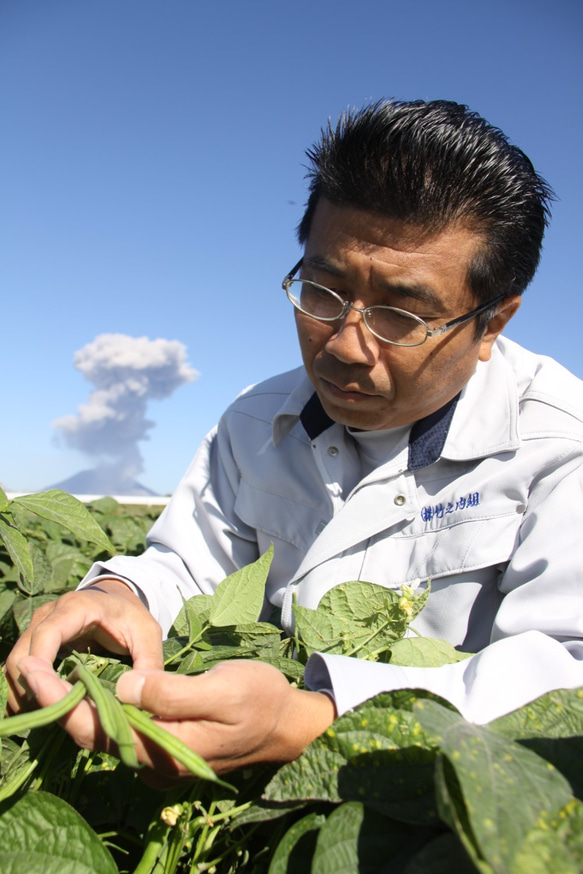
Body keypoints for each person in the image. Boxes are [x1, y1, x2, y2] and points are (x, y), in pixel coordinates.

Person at [7, 99, 583, 778]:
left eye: (400, 316)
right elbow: (187, 562)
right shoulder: (256, 419)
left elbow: (565, 682)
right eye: (321, 290)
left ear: (490, 324)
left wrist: (312, 720)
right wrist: (112, 600)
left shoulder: (557, 447)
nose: (342, 345)